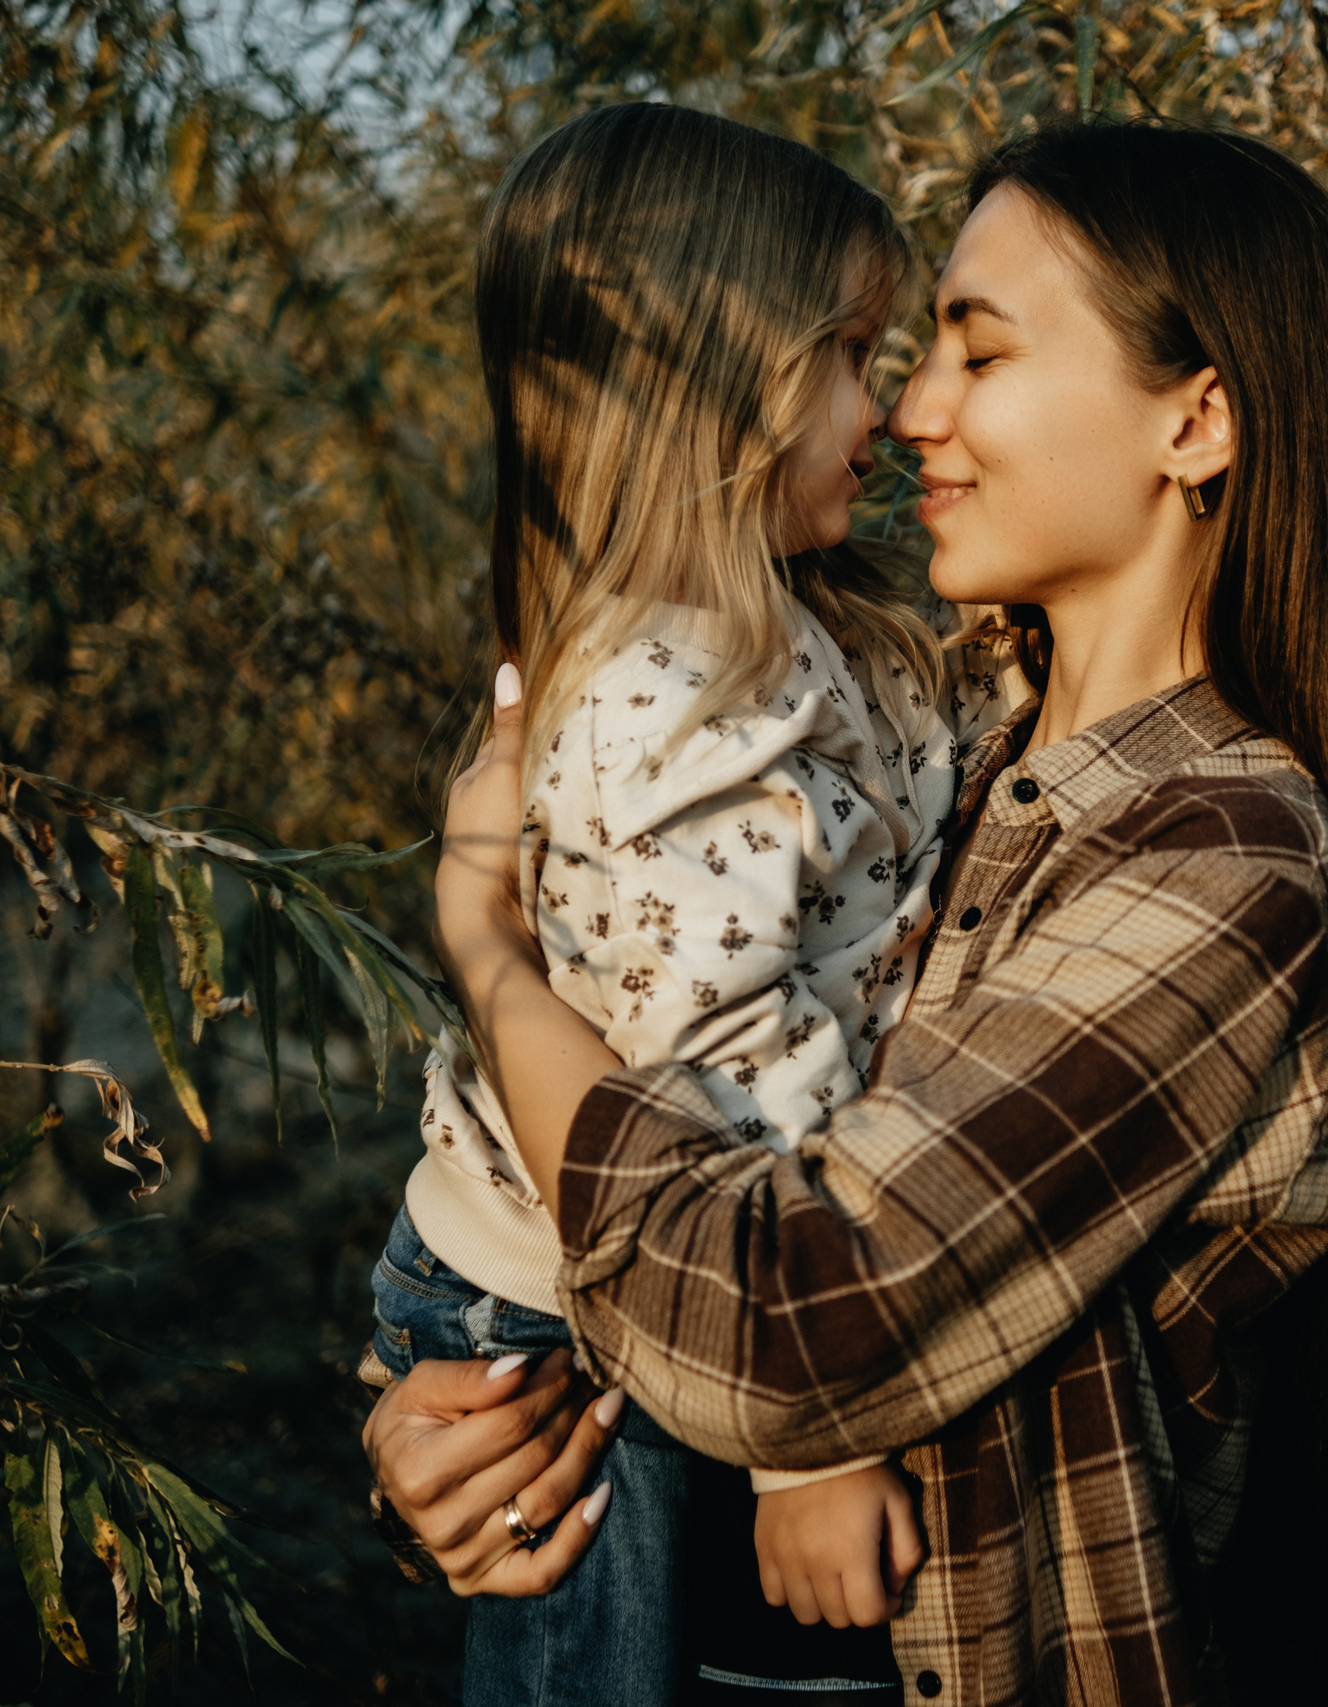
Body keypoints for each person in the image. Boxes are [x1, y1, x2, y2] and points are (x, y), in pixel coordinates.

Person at [374, 118, 1328, 1705]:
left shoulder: (1223, 865)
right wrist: (433, 1442)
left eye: (976, 351)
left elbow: (791, 1331)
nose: (914, 410)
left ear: (1197, 422)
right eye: (903, 348)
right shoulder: (939, 731)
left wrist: (484, 952)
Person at [359, 101, 1030, 1707]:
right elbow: (719, 1057)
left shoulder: (787, 630)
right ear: (722, 379)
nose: (895, 409)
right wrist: (810, 1439)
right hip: (572, 1290)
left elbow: (899, 823)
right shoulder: (666, 688)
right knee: (592, 1667)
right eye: (857, 356)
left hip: (637, 1256)